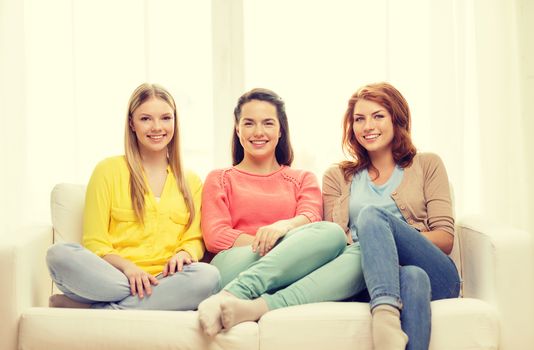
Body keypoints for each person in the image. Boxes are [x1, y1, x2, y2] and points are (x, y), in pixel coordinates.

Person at [197, 88, 366, 336]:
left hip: (291, 269)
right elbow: (216, 236)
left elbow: (310, 218)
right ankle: (231, 293)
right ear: (237, 129)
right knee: (330, 234)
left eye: (268, 123)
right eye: (249, 123)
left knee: (360, 252)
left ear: (280, 130)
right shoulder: (220, 178)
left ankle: (255, 307)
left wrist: (282, 228)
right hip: (237, 265)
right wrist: (279, 246)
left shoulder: (302, 179)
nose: (258, 132)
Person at [46, 83, 220, 310]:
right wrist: (129, 269)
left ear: (175, 122)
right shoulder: (107, 170)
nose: (157, 127)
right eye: (146, 119)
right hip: (114, 275)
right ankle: (148, 301)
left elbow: (194, 239)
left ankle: (97, 308)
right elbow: (95, 242)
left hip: (167, 279)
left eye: (166, 118)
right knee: (59, 254)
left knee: (209, 276)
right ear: (132, 123)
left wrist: (184, 253)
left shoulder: (192, 181)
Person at [323, 82, 461, 350]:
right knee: (412, 277)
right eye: (359, 119)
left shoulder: (428, 164)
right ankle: (387, 318)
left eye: (378, 116)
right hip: (368, 277)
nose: (367, 126)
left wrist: (385, 241)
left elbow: (445, 238)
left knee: (372, 217)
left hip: (438, 274)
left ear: (397, 119)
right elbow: (334, 241)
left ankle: (384, 311)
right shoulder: (337, 177)